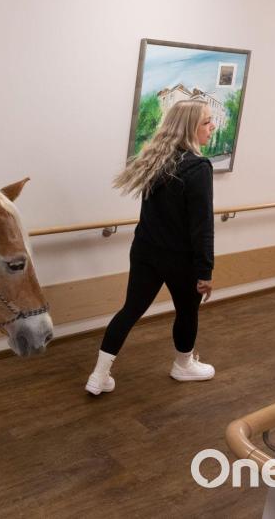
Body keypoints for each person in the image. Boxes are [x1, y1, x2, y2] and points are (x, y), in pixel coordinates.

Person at [85, 99, 217, 395]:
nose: (213, 126)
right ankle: (183, 366)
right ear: (190, 128)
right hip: (180, 259)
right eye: (207, 121)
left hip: (145, 251)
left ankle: (99, 375)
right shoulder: (198, 167)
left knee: (130, 310)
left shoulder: (156, 161)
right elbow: (202, 226)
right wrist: (205, 270)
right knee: (186, 312)